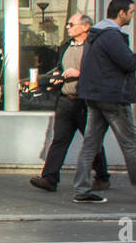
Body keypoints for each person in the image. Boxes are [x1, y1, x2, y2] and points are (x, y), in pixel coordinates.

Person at [71, 0, 136, 203]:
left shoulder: (95, 34)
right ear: (122, 13)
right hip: (112, 98)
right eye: (131, 12)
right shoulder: (110, 36)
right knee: (131, 143)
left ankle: (81, 191)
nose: (132, 16)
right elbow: (130, 63)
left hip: (95, 96)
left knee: (91, 144)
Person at [29, 14, 109, 193]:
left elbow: (101, 72)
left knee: (91, 140)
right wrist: (58, 78)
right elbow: (61, 68)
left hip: (85, 102)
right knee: (59, 140)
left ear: (86, 27)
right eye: (68, 24)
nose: (68, 27)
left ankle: (102, 176)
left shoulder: (94, 47)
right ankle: (49, 178)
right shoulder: (66, 46)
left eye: (72, 24)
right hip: (66, 99)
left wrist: (79, 74)